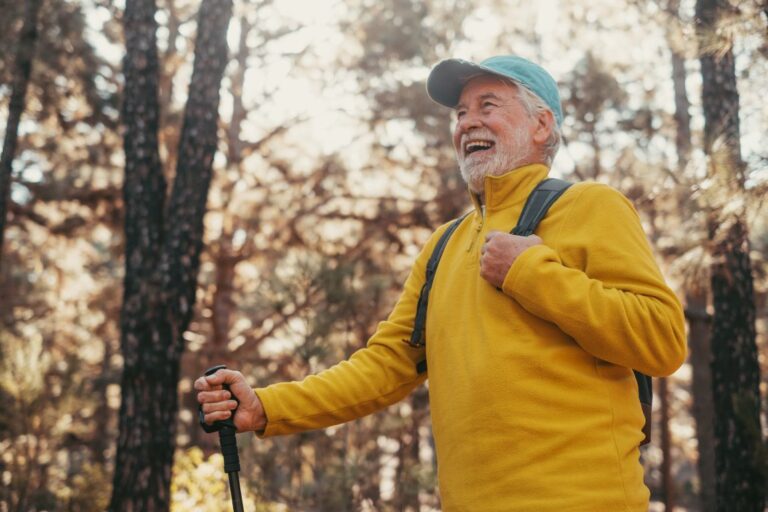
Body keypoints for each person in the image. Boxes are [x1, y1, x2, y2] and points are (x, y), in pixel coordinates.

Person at [196, 55, 687, 511]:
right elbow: (385, 365)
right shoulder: (444, 246)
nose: (467, 122)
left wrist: (530, 273)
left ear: (542, 125)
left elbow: (662, 338)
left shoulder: (591, 205)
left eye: (488, 106)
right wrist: (266, 407)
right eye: (460, 113)